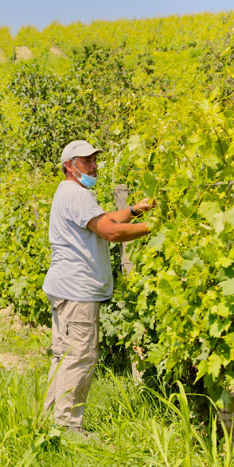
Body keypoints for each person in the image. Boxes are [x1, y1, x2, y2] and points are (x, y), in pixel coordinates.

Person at [42, 140, 156, 432]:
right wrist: (155, 227)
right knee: (80, 357)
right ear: (69, 166)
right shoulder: (76, 194)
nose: (94, 166)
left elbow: (105, 219)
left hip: (67, 288)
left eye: (94, 160)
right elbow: (111, 231)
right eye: (86, 161)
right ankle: (68, 427)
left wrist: (135, 211)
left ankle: (51, 422)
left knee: (65, 356)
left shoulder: (70, 192)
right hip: (77, 291)